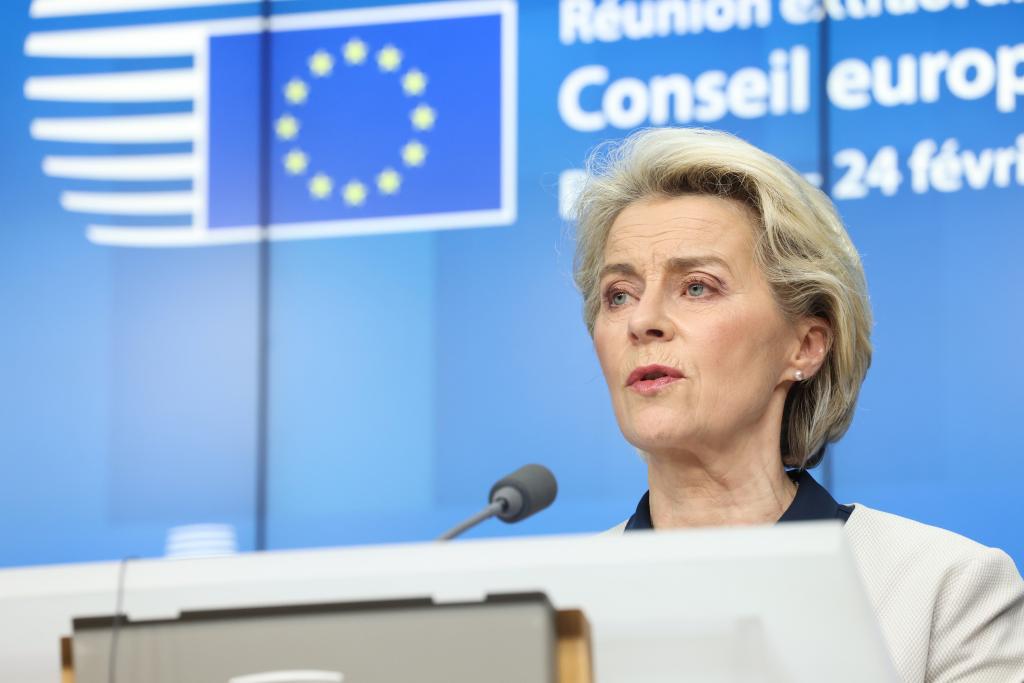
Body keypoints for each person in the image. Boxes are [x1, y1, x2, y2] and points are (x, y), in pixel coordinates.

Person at [573, 127, 1024, 682]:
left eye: (697, 287)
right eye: (619, 295)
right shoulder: (553, 603)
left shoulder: (939, 589)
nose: (642, 321)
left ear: (805, 346)